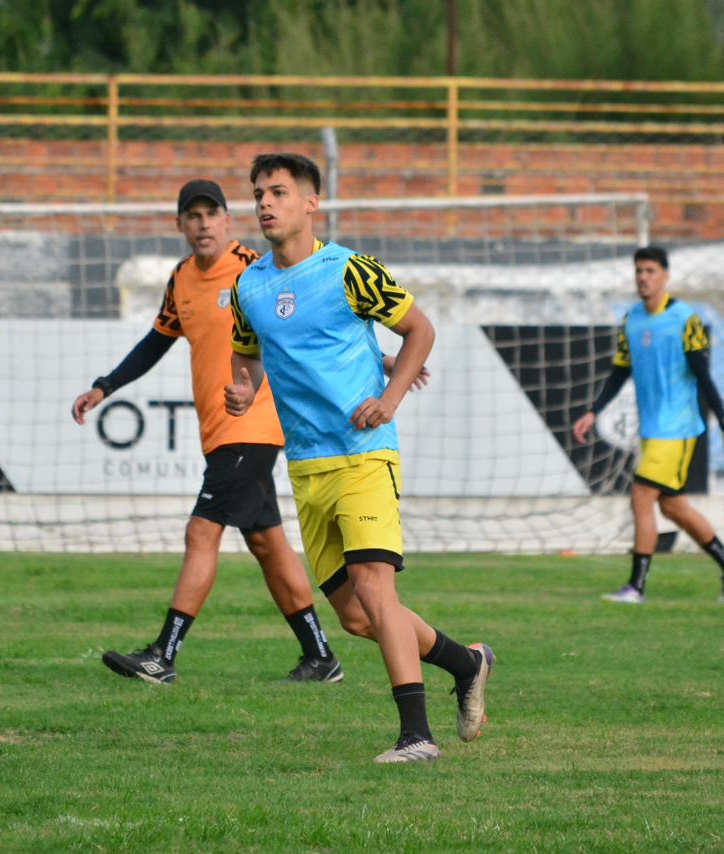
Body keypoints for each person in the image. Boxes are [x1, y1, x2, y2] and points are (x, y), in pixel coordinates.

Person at [224, 153, 493, 764]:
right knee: (356, 616)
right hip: (307, 465)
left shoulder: (349, 270)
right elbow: (250, 357)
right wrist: (244, 389)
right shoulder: (249, 287)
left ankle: (416, 736)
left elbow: (419, 329)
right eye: (259, 193)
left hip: (365, 455)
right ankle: (467, 662)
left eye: (279, 193)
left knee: (376, 590)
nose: (265, 203)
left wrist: (389, 398)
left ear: (312, 203)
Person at [73, 179, 346, 684]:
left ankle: (163, 656)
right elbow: (157, 340)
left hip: (255, 424)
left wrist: (382, 358)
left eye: (211, 214)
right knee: (267, 544)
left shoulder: (252, 269)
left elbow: (309, 323)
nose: (202, 224)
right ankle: (320, 656)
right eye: (191, 216)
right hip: (220, 431)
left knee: (202, 530)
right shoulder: (181, 278)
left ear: (227, 220)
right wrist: (105, 386)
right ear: (180, 225)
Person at [572, 245, 724, 605]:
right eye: (639, 270)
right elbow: (620, 369)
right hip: (652, 430)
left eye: (651, 270)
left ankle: (636, 588)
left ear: (665, 276)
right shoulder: (632, 320)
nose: (643, 277)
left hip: (679, 428)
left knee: (641, 497)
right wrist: (594, 410)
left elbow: (704, 377)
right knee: (673, 508)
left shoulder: (685, 320)